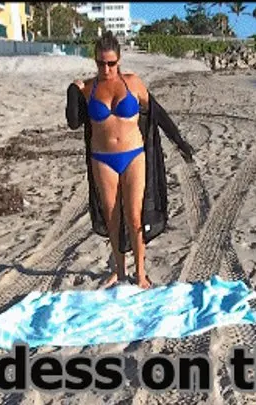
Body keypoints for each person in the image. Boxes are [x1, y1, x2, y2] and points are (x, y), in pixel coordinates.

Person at [66, 32, 195, 290]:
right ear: (95, 61)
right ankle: (120, 271)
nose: (106, 69)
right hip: (102, 159)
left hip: (134, 155)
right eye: (101, 63)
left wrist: (180, 142)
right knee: (112, 217)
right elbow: (73, 122)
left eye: (111, 63)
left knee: (135, 217)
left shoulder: (133, 83)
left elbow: (158, 113)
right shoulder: (89, 88)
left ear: (120, 60)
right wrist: (73, 91)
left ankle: (140, 272)